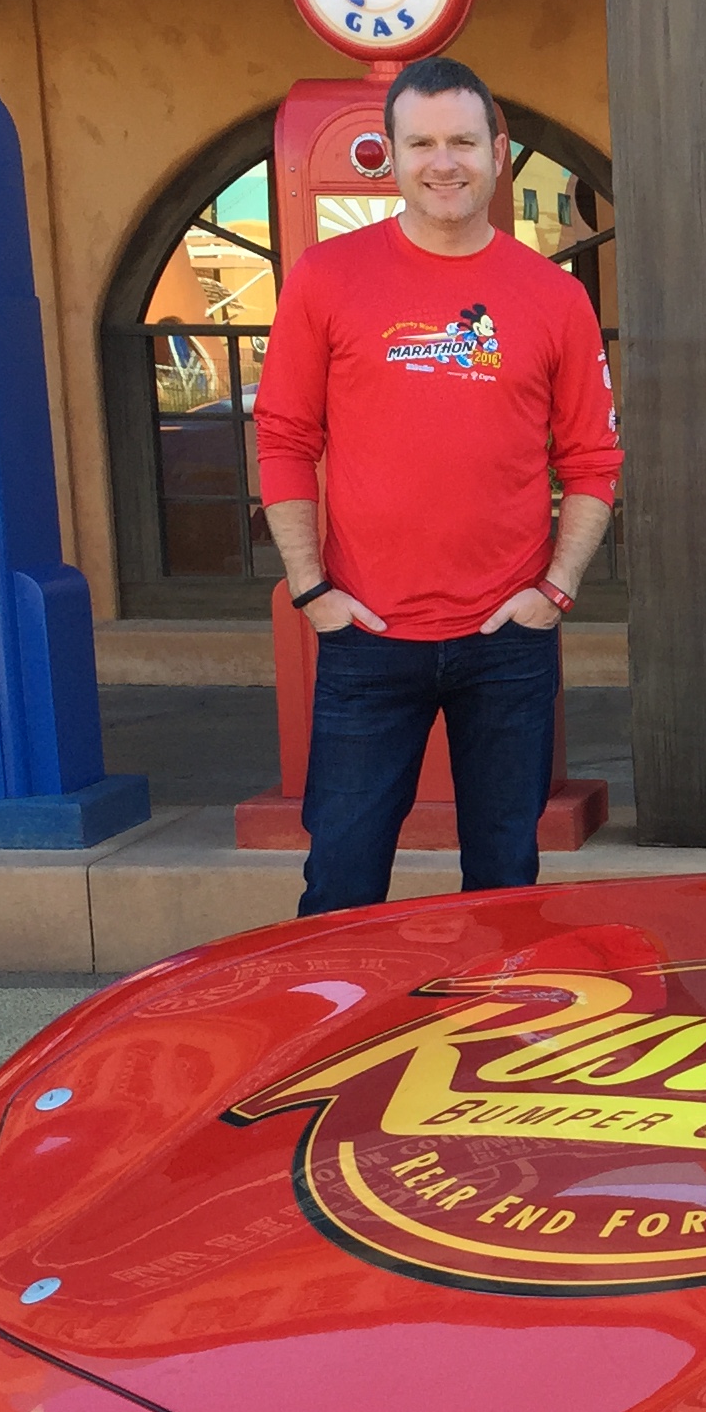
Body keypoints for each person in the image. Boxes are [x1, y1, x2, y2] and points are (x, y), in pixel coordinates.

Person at [255, 53, 622, 915]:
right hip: (367, 635)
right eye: (421, 143)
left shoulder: (553, 297)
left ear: (497, 150)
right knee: (341, 882)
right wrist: (311, 591)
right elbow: (283, 440)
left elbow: (593, 460)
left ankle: (487, 1009)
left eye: (462, 140)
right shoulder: (327, 280)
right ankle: (345, 1009)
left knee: (503, 882)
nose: (443, 162)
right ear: (391, 154)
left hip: (508, 639)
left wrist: (555, 590)